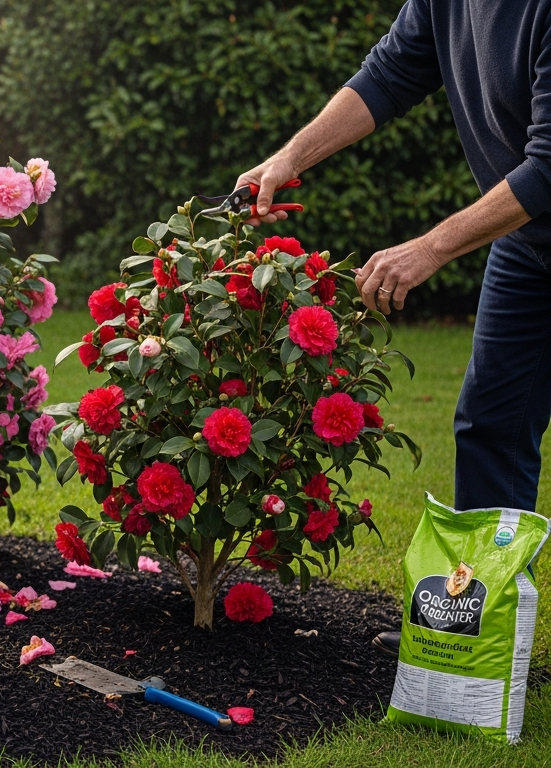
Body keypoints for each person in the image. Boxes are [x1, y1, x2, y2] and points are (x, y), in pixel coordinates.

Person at [233, 1, 551, 656]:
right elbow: (390, 73)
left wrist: (431, 247)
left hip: (536, 213)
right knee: (491, 424)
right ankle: (468, 642)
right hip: (534, 245)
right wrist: (290, 157)